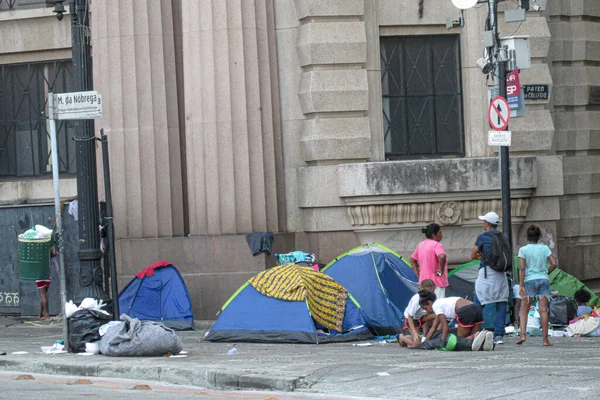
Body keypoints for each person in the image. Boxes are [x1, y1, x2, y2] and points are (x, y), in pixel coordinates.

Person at [471, 211, 509, 345]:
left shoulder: (482, 237)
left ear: (487, 223)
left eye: (484, 221)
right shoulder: (503, 237)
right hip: (501, 274)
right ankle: (499, 335)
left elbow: (473, 254)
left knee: (478, 302)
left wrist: (480, 255)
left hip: (487, 273)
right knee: (501, 303)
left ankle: (477, 331)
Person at [516, 225, 557, 346]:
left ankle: (523, 335)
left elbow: (522, 268)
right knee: (544, 310)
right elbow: (554, 263)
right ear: (539, 236)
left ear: (527, 237)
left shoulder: (523, 250)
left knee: (524, 309)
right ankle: (545, 340)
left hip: (529, 281)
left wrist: (521, 285)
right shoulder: (544, 248)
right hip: (544, 280)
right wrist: (546, 272)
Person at [410, 223, 448, 300]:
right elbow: (442, 256)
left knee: (426, 307)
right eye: (440, 233)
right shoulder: (437, 245)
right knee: (438, 307)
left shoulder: (421, 245)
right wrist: (441, 270)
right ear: (434, 235)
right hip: (436, 283)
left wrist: (418, 274)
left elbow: (412, 260)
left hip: (423, 283)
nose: (441, 235)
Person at [398, 279, 436, 347]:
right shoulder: (416, 300)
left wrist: (425, 335)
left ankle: (429, 335)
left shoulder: (431, 297)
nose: (433, 293)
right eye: (431, 291)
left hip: (421, 318)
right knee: (416, 343)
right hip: (411, 319)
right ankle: (401, 337)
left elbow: (427, 314)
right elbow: (410, 317)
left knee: (436, 315)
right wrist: (414, 333)